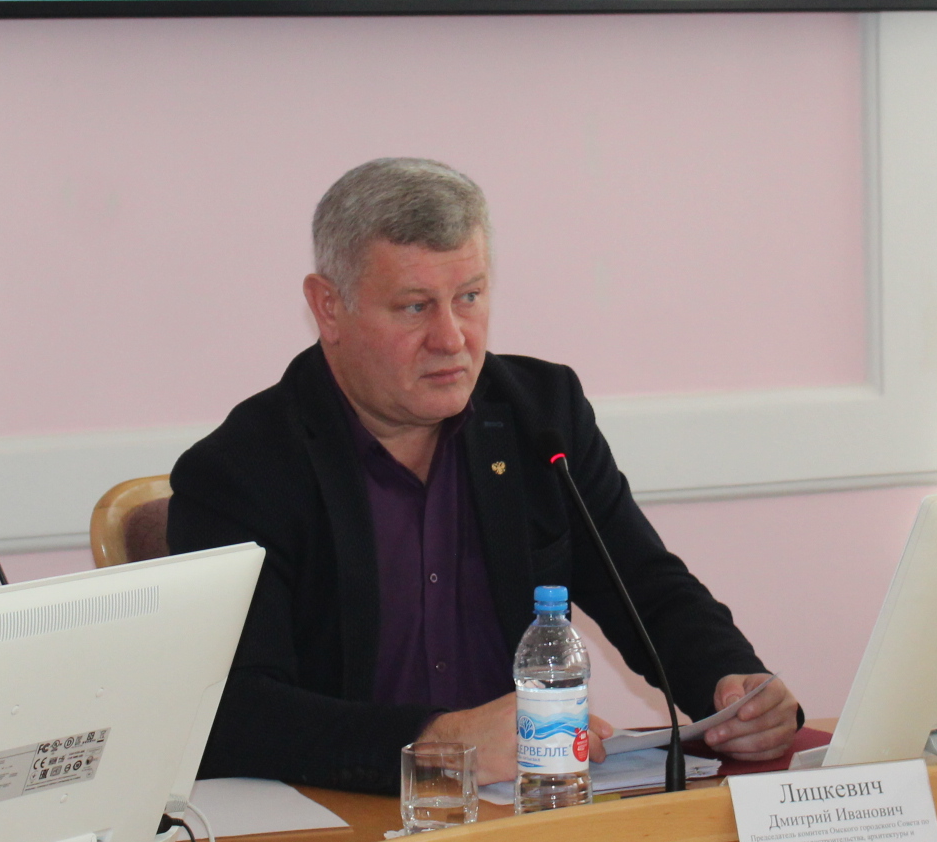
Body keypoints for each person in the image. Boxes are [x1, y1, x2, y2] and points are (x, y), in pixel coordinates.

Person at [167, 158, 803, 790]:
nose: (452, 338)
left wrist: (732, 684)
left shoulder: (542, 416)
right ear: (328, 307)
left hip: (527, 804)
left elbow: (646, 586)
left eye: (468, 297)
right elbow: (235, 714)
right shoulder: (241, 471)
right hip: (348, 814)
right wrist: (440, 741)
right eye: (414, 307)